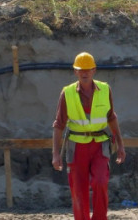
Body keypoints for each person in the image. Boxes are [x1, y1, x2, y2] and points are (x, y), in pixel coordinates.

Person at [52, 52, 126, 220]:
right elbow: (58, 125)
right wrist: (56, 154)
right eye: (80, 70)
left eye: (88, 69)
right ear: (75, 72)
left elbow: (111, 117)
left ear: (94, 70)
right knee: (78, 191)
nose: (84, 73)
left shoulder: (105, 89)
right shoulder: (67, 93)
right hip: (76, 147)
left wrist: (120, 145)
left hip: (100, 145)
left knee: (100, 182)